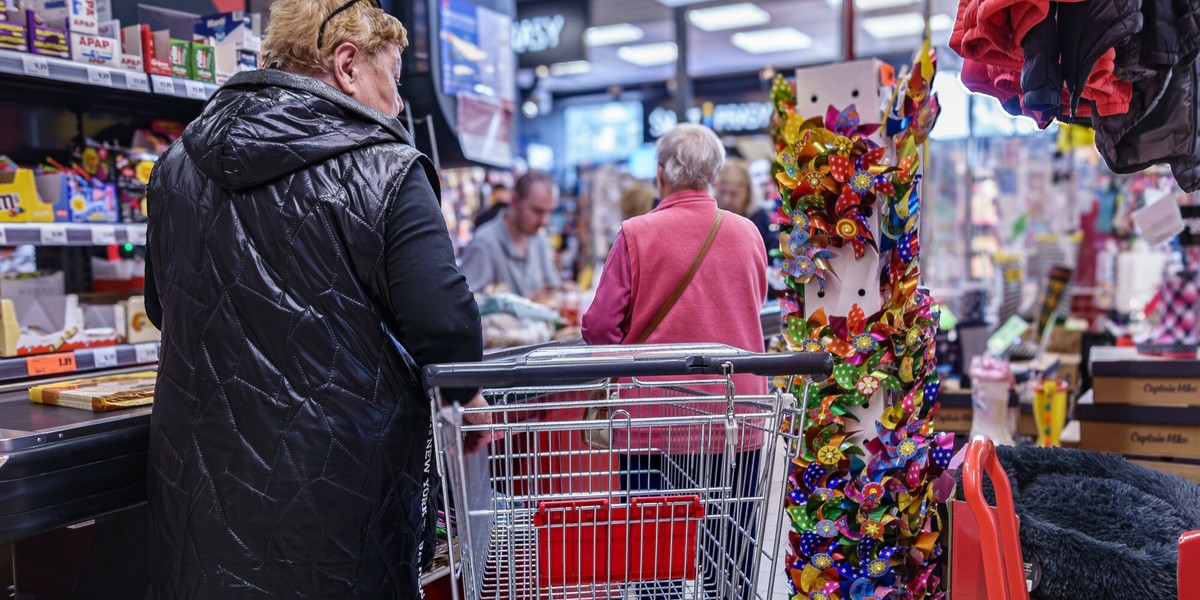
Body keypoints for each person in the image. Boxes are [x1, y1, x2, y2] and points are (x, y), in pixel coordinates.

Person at [142, 0, 484, 597]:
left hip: (200, 495)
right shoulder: (387, 169)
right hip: (340, 499)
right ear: (347, 66)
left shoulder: (173, 166)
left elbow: (160, 306)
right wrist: (467, 396)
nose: (399, 104)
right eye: (393, 81)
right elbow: (446, 327)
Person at [581, 124, 767, 599]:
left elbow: (600, 327)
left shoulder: (635, 234)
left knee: (654, 564)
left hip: (652, 421)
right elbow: (753, 303)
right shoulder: (748, 234)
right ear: (714, 174)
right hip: (734, 421)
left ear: (660, 173)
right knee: (730, 560)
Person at [460, 170, 561, 297]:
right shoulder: (484, 245)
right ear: (514, 201)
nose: (545, 221)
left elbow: (553, 287)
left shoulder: (538, 239)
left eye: (549, 212)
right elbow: (462, 307)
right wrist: (526, 303)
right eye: (537, 211)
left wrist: (563, 290)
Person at [715, 159, 776, 258]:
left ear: (748, 193)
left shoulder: (759, 219)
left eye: (734, 194)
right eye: (722, 192)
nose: (726, 200)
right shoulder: (713, 218)